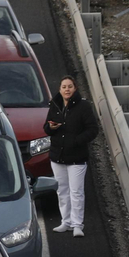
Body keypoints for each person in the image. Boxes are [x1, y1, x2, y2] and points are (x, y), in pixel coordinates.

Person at [44, 76, 99, 236]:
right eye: (63, 87)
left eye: (70, 86)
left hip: (76, 157)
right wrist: (51, 127)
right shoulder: (55, 105)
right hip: (57, 156)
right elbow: (46, 128)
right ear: (60, 89)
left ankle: (77, 225)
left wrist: (76, 141)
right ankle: (65, 222)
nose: (66, 89)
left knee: (76, 192)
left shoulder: (84, 107)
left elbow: (93, 129)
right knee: (62, 191)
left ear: (75, 88)